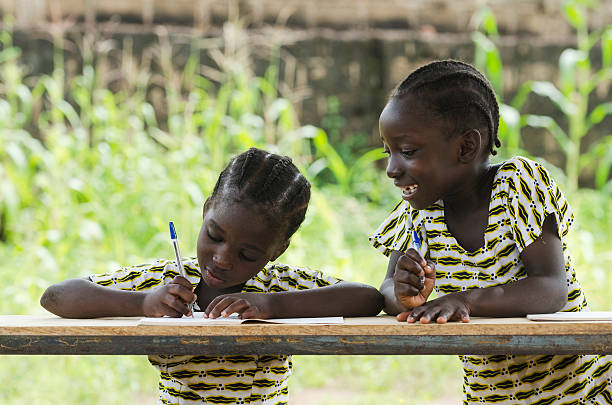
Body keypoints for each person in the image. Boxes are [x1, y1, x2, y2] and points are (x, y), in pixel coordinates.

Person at [41, 147, 383, 405]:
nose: (221, 259)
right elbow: (56, 297)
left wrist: (270, 307)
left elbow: (367, 297)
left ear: (276, 250)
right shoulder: (169, 283)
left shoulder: (276, 288)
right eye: (214, 236)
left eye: (247, 254)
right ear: (206, 211)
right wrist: (143, 302)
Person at [370, 60, 612, 404]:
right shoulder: (419, 215)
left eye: (407, 152)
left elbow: (551, 289)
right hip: (491, 397)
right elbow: (389, 292)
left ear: (466, 147)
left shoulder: (517, 186)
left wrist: (464, 300)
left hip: (579, 391)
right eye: (388, 152)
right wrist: (407, 296)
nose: (392, 169)